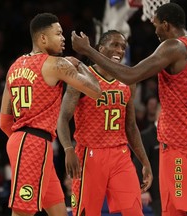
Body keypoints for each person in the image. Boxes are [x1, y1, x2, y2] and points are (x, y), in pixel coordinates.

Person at [71, 2, 187, 215]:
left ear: (165, 24)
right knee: (175, 210)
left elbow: (130, 75)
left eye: (155, 25)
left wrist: (87, 50)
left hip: (180, 141)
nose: (154, 31)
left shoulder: (173, 46)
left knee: (175, 211)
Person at [0, 13, 101, 216]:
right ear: (43, 38)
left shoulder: (14, 67)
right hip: (34, 144)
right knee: (22, 212)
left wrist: (21, 142)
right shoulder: (56, 64)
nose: (63, 38)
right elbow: (95, 91)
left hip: (27, 142)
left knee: (59, 211)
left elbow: (4, 121)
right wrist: (79, 64)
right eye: (58, 33)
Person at [57, 30, 153, 216]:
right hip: (89, 155)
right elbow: (62, 118)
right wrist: (68, 148)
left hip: (120, 155)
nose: (120, 50)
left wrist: (145, 161)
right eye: (115, 45)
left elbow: (131, 127)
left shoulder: (127, 80)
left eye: (123, 47)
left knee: (135, 212)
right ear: (100, 48)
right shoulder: (82, 76)